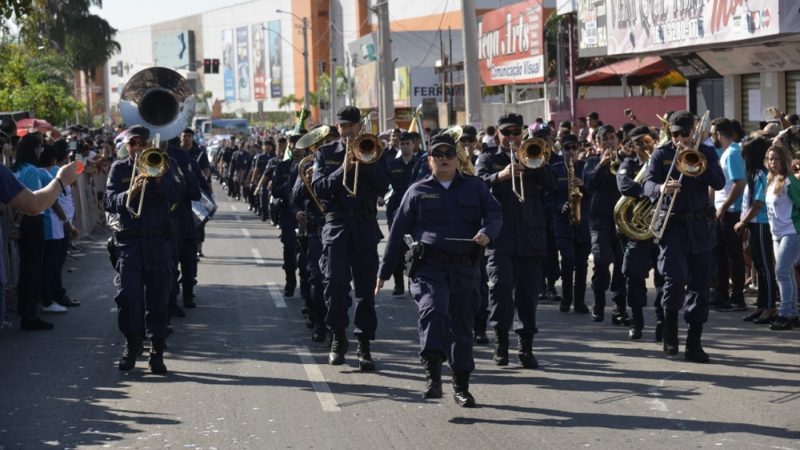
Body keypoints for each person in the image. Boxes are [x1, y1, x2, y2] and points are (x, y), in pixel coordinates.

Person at [376, 132, 502, 406]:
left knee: (462, 327)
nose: (443, 159)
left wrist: (487, 233)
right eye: (438, 155)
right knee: (433, 311)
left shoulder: (475, 187)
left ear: (457, 159)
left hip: (465, 267)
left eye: (448, 154)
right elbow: (398, 232)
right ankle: (433, 375)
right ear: (429, 160)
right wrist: (383, 272)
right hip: (430, 266)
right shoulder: (417, 191)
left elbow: (494, 213)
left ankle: (461, 384)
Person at [643, 111, 725, 362]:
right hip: (673, 226)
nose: (679, 138)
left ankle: (694, 342)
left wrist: (697, 166)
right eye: (675, 133)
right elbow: (647, 184)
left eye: (684, 133)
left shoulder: (707, 152)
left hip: (700, 227)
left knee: (700, 286)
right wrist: (660, 188)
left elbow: (720, 183)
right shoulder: (661, 153)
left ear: (694, 131)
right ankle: (669, 328)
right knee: (675, 279)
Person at [475, 113, 555, 368]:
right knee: (500, 287)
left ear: (523, 133)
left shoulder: (533, 154)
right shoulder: (488, 158)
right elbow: (477, 185)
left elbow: (552, 185)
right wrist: (501, 176)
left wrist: (537, 163)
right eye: (506, 133)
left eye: (516, 133)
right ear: (497, 133)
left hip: (531, 236)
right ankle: (501, 344)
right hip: (500, 237)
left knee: (528, 294)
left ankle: (526, 348)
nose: (511, 138)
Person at [312, 106, 389, 370]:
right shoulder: (324, 153)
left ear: (360, 128)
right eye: (342, 126)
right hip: (336, 228)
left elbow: (383, 186)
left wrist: (364, 163)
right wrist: (343, 167)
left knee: (366, 291)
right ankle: (338, 337)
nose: (347, 131)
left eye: (351, 126)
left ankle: (364, 345)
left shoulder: (375, 151)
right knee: (334, 285)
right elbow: (319, 188)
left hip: (365, 228)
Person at [104, 126, 182, 373]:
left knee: (159, 299)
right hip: (129, 244)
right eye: (132, 143)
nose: (137, 148)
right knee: (128, 297)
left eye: (141, 143)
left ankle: (157, 350)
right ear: (127, 146)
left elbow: (179, 195)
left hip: (158, 244)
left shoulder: (163, 164)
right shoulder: (119, 169)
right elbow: (108, 201)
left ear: (149, 144)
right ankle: (132, 343)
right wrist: (132, 191)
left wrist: (159, 180)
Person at [616, 126, 664, 340]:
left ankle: (662, 320)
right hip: (638, 230)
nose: (644, 146)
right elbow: (624, 186)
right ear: (632, 146)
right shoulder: (629, 164)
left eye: (648, 141)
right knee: (633, 275)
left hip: (662, 227)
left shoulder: (664, 162)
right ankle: (636, 320)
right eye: (638, 143)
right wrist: (651, 190)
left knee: (665, 278)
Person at [583, 125, 628, 325]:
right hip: (599, 218)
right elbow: (588, 185)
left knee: (622, 262)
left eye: (612, 138)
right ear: (598, 143)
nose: (609, 142)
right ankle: (599, 302)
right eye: (605, 139)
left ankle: (619, 306)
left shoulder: (626, 161)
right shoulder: (591, 161)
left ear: (617, 140)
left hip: (622, 219)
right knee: (601, 261)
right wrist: (601, 165)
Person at [734, 136, 778, 324]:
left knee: (766, 267)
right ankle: (761, 305)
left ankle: (770, 306)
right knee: (758, 266)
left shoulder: (760, 174)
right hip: (754, 224)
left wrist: (743, 222)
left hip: (761, 224)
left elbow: (758, 203)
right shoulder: (754, 174)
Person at [546, 134, 591, 314]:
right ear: (561, 149)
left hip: (583, 222)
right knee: (568, 260)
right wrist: (560, 205)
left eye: (574, 148)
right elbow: (547, 197)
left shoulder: (586, 168)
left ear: (579, 149)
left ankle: (579, 302)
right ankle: (566, 299)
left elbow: (595, 193)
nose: (571, 152)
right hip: (563, 222)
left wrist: (584, 186)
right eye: (567, 148)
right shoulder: (555, 169)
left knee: (581, 264)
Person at [709, 118, 747, 312]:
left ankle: (737, 297)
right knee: (721, 255)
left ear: (718, 134)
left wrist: (724, 207)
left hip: (730, 212)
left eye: (712, 133)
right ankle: (722, 293)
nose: (710, 136)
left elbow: (740, 183)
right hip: (723, 210)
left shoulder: (732, 152)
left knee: (733, 256)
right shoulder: (725, 152)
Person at [763, 145, 800, 330]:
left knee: (781, 272)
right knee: (787, 273)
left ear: (784, 160)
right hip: (776, 234)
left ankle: (784, 313)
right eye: (770, 159)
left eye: (776, 159)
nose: (773, 163)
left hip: (792, 232)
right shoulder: (772, 180)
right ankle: (792, 314)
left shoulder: (789, 181)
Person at [383, 132, 418, 296]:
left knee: (414, 247)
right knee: (396, 245)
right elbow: (383, 185)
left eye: (407, 144)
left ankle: (414, 282)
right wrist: (380, 196)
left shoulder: (420, 163)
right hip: (395, 209)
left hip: (416, 210)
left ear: (413, 145)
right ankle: (398, 284)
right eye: (402, 144)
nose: (405, 146)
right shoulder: (391, 164)